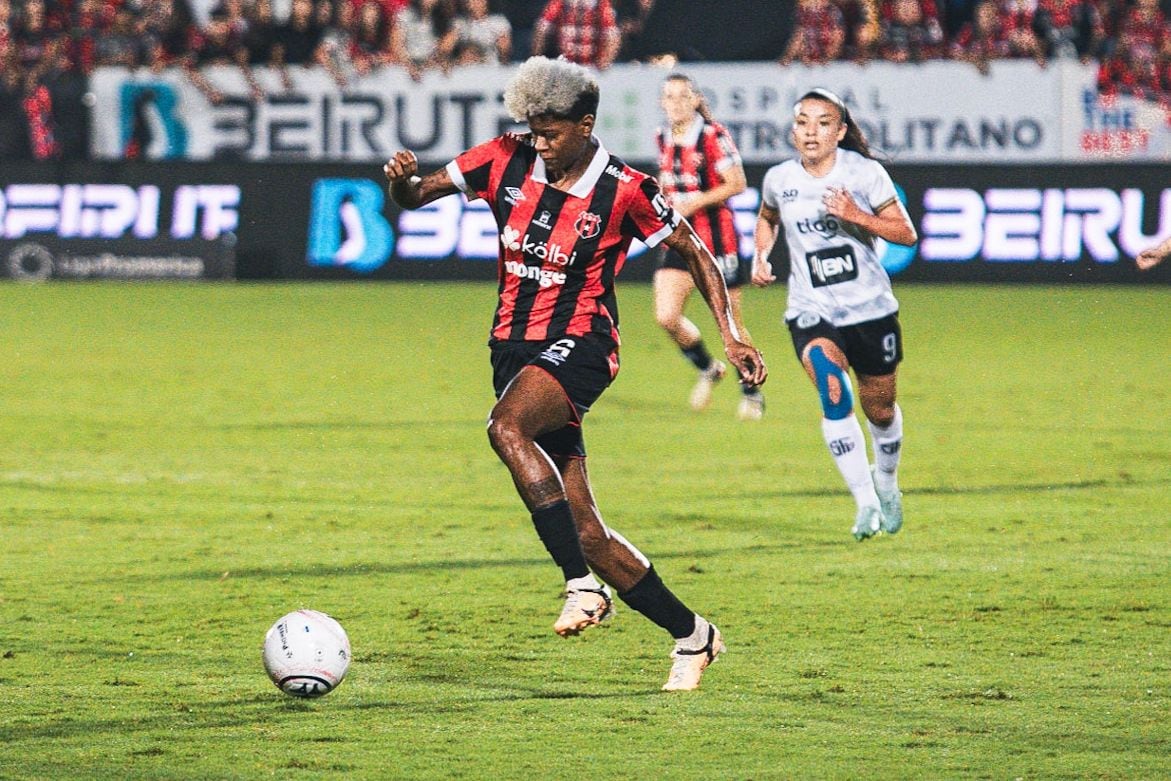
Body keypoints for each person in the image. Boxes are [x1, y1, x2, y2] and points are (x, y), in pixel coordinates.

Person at [383, 56, 766, 690]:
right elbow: (414, 198)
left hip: (583, 342)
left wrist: (732, 330)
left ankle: (582, 587)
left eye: (551, 131)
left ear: (585, 125)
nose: (539, 141)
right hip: (511, 348)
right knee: (584, 528)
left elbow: (694, 250)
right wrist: (401, 181)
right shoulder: (502, 157)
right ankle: (693, 636)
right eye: (532, 128)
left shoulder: (625, 187)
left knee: (506, 428)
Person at [752, 88, 917, 541]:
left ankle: (885, 483)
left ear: (840, 131)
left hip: (870, 309)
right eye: (803, 121)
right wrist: (761, 255)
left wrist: (855, 214)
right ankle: (863, 502)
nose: (811, 131)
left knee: (879, 409)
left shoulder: (865, 174)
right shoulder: (780, 178)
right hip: (811, 308)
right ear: (793, 129)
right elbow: (767, 217)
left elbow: (906, 233)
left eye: (823, 123)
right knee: (832, 387)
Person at [654, 73, 765, 420]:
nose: (674, 103)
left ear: (694, 100)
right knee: (666, 316)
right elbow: (666, 182)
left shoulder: (714, 136)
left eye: (681, 96)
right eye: (668, 97)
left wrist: (693, 203)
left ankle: (751, 391)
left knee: (731, 322)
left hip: (717, 238)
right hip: (678, 239)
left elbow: (737, 183)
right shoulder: (662, 137)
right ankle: (708, 367)